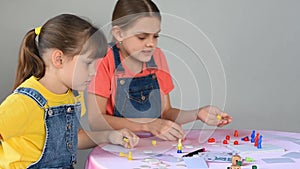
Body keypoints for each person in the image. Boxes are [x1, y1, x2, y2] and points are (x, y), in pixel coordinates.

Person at [0, 14, 139, 169]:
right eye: (88, 63)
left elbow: (73, 137)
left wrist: (109, 136)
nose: (94, 72)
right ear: (59, 59)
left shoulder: (73, 96)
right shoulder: (24, 103)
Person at [88, 0, 232, 141]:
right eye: (142, 37)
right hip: (119, 146)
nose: (151, 43)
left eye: (155, 36)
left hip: (154, 146)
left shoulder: (157, 56)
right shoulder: (104, 59)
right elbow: (96, 121)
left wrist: (198, 113)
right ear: (119, 34)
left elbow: (166, 112)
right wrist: (147, 125)